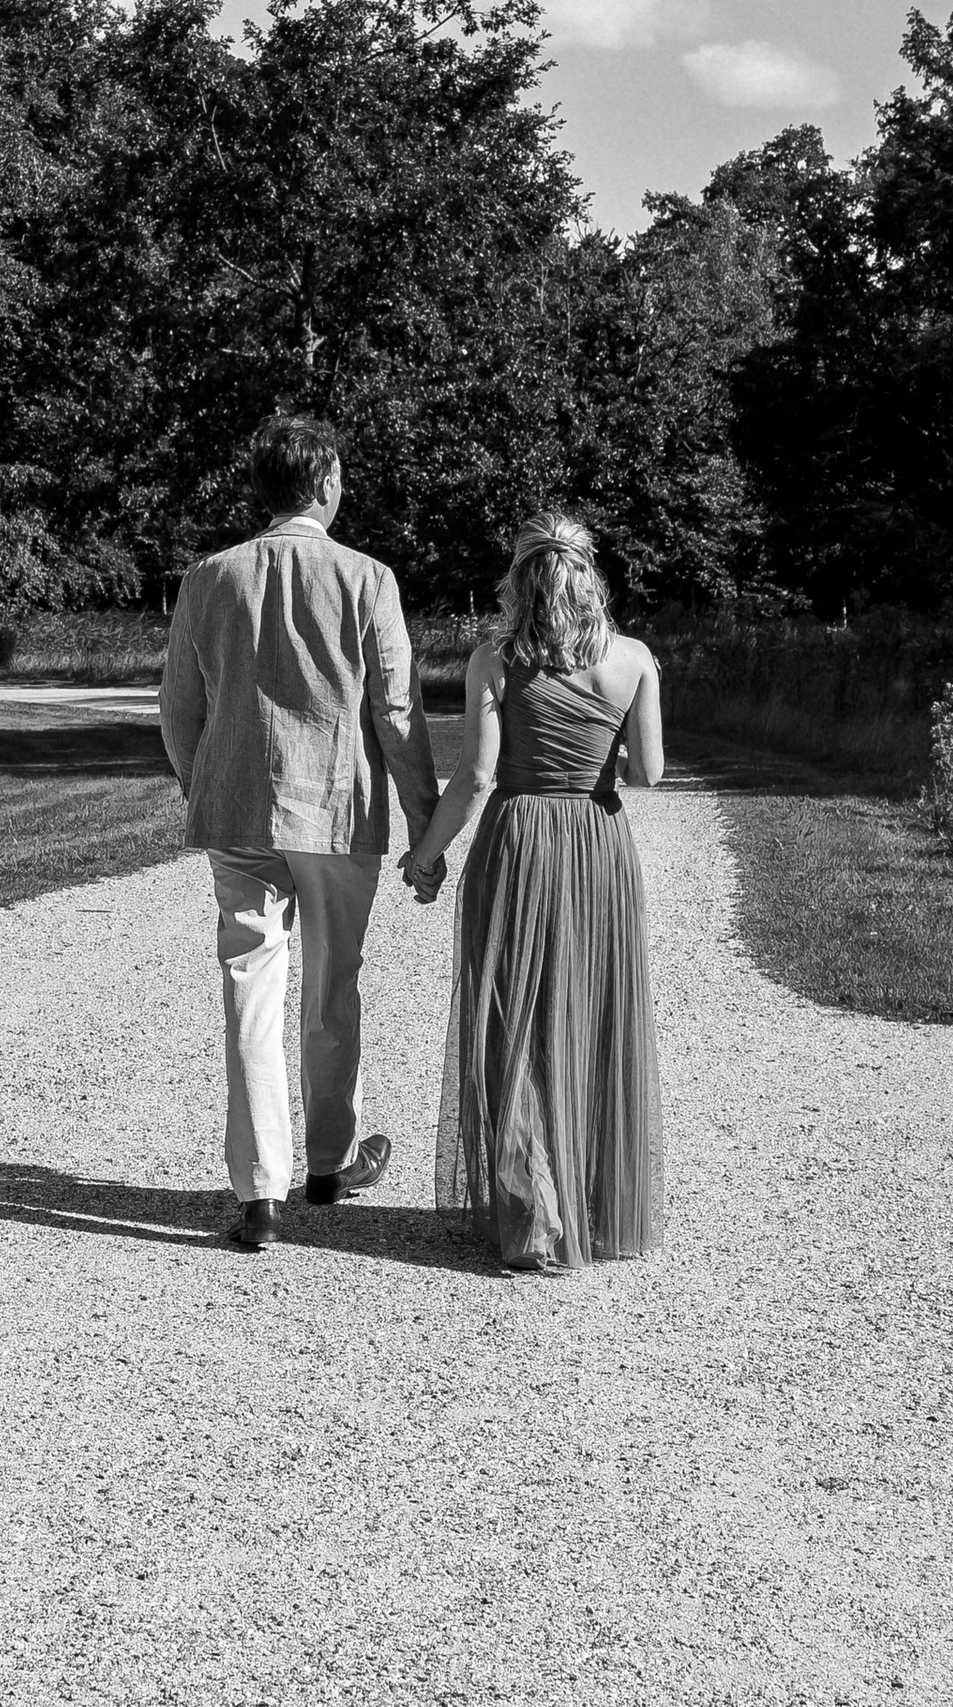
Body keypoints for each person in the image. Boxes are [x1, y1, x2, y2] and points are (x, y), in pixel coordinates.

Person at [158, 414, 441, 1254]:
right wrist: (425, 827)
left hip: (240, 808)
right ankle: (327, 1164)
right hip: (338, 810)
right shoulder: (367, 578)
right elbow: (396, 711)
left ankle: (259, 1194)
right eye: (340, 477)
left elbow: (178, 708)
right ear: (322, 485)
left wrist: (203, 784)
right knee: (332, 986)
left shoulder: (209, 576)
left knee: (250, 990)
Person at [402, 513, 663, 1276]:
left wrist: (424, 857)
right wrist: (595, 751)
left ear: (519, 580)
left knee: (512, 1017)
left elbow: (476, 776)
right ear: (591, 577)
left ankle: (534, 1215)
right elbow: (649, 773)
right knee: (590, 1012)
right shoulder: (635, 659)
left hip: (518, 841)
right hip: (597, 845)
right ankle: (589, 1203)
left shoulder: (496, 660)